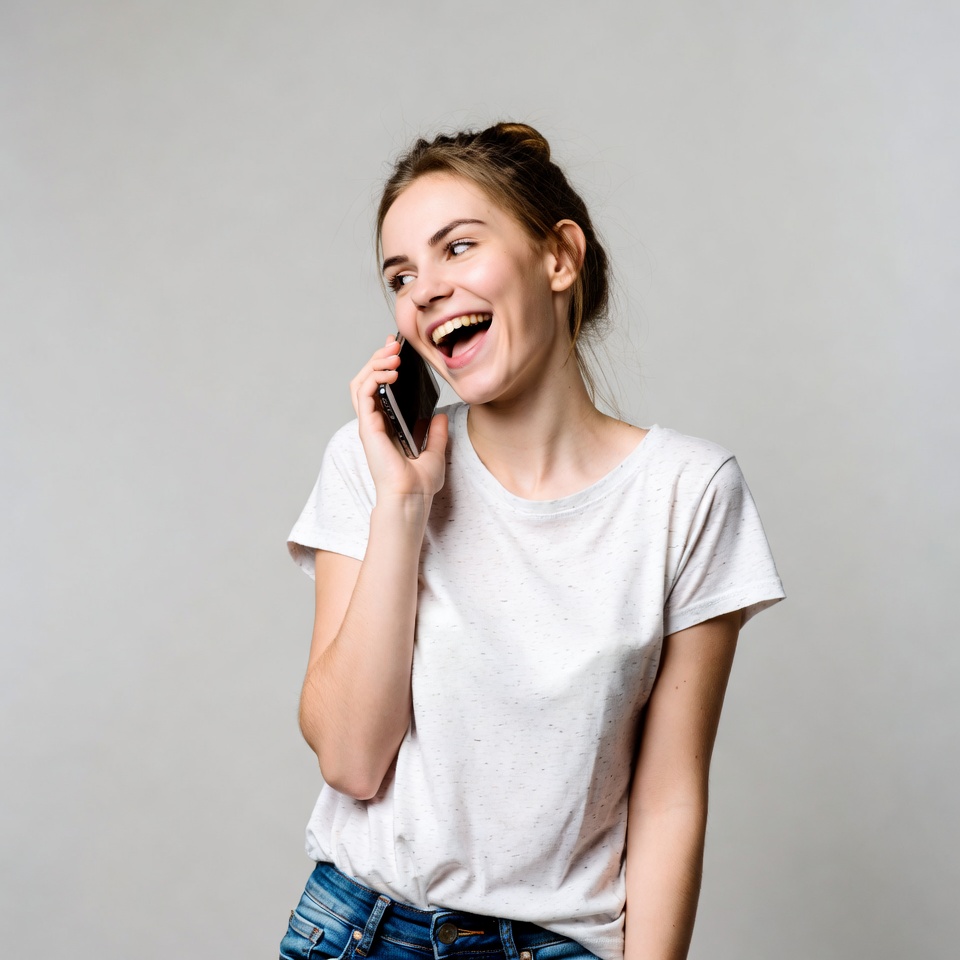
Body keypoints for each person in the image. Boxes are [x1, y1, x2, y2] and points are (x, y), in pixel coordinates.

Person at [282, 122, 784, 960]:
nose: (425, 290)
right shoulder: (372, 465)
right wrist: (404, 502)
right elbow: (351, 760)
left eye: (458, 248)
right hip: (358, 932)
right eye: (400, 275)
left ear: (558, 257)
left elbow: (668, 797)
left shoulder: (687, 493)